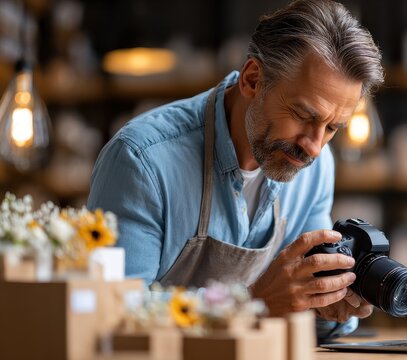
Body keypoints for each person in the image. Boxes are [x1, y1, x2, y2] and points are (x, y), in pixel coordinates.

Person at [88, 0, 383, 340]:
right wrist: (252, 304)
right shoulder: (143, 162)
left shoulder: (315, 170)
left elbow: (300, 315)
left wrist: (329, 308)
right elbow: (110, 319)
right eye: (304, 116)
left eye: (332, 128)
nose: (314, 147)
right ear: (253, 80)